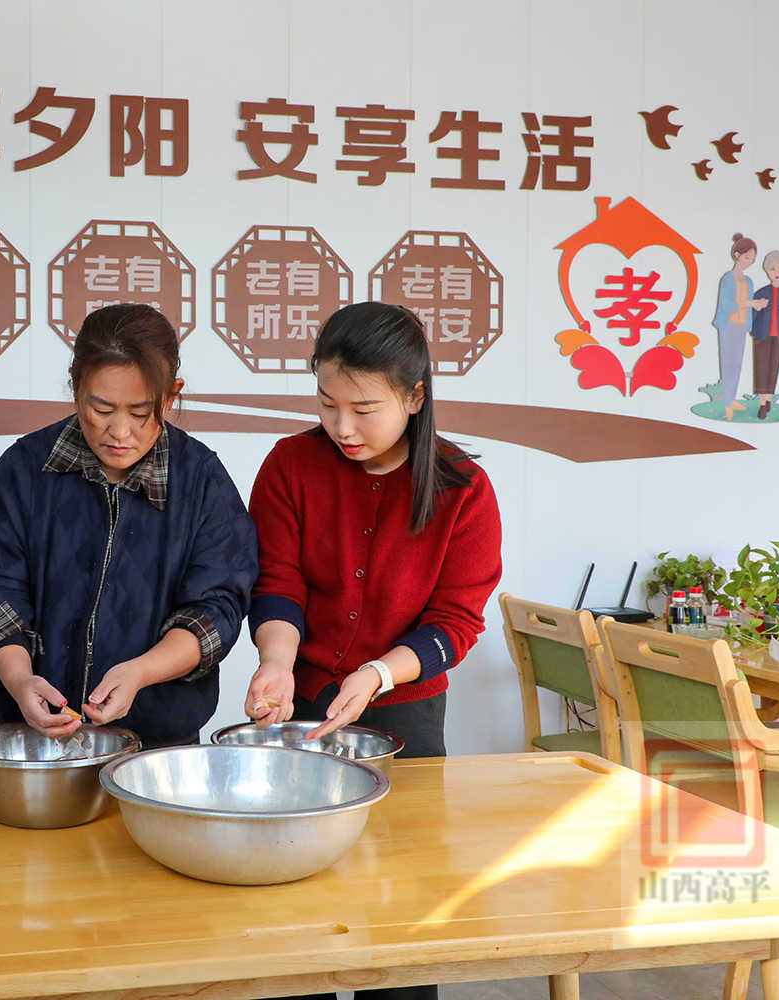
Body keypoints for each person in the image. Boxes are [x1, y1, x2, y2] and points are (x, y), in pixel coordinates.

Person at [244, 303, 501, 1000]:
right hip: (301, 708)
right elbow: (277, 582)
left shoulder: (462, 489)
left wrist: (379, 672)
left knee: (400, 908)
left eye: (364, 409)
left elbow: (456, 621)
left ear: (415, 398)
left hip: (407, 720)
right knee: (298, 911)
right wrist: (276, 662)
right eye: (327, 404)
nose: (343, 427)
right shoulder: (291, 464)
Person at [0, 304, 256, 749]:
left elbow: (216, 609)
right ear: (75, 386)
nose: (119, 431)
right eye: (101, 408)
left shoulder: (201, 481)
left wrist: (141, 672)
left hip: (161, 748)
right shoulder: (25, 469)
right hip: (39, 737)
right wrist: (19, 679)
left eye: (140, 412)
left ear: (170, 397)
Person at [711, 233, 768, 418]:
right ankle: (727, 402)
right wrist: (751, 303)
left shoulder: (748, 281)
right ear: (737, 255)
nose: (749, 262)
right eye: (747, 257)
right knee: (728, 363)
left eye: (752, 259)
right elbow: (727, 305)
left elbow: (747, 304)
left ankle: (731, 398)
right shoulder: (728, 279)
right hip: (728, 325)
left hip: (742, 325)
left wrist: (756, 305)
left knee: (737, 364)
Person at [750, 250, 779, 420]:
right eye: (773, 269)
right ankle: (763, 402)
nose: (777, 273)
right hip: (761, 334)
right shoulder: (761, 293)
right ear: (767, 270)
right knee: (761, 367)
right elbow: (752, 312)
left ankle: (769, 398)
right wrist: (749, 323)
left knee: (773, 367)